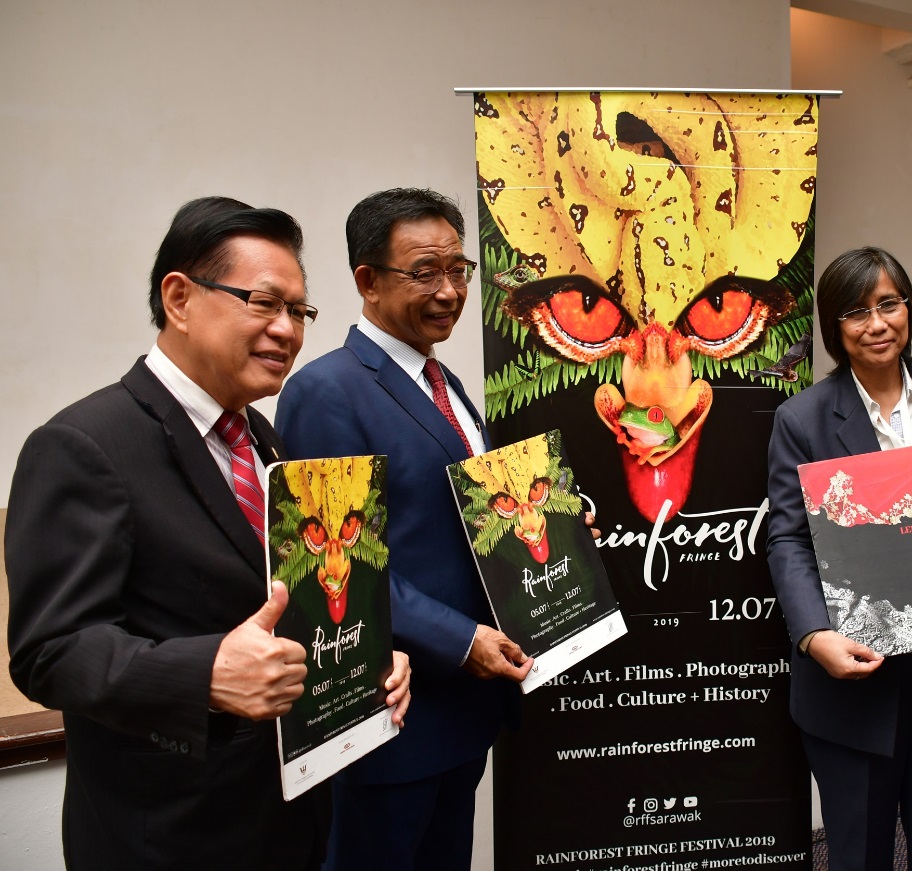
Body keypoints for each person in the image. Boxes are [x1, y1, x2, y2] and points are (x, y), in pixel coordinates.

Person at [4, 197, 411, 871]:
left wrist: (370, 658)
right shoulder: (84, 443)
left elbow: (291, 601)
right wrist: (206, 674)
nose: (287, 330)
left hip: (291, 821)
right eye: (264, 302)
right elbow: (50, 650)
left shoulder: (263, 440)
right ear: (180, 298)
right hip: (169, 836)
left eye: (300, 312)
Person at [276, 188, 523, 870]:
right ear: (366, 279)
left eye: (458, 269)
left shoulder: (441, 383)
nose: (448, 290)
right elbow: (341, 562)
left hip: (464, 707)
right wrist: (460, 637)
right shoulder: (327, 391)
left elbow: (462, 518)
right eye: (424, 272)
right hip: (391, 715)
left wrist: (555, 521)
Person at [766, 247, 912, 870]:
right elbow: (788, 537)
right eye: (855, 311)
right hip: (859, 666)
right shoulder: (803, 417)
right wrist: (814, 636)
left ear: (908, 308)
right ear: (832, 327)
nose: (876, 324)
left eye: (889, 304)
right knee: (860, 850)